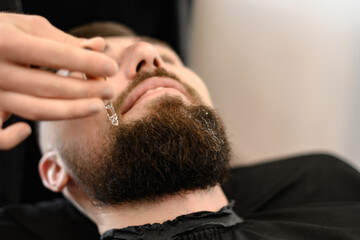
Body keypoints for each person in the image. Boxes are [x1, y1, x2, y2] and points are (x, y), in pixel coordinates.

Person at [1, 18, 360, 240]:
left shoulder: (336, 197)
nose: (149, 56)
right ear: (55, 170)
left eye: (169, 59)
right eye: (95, 68)